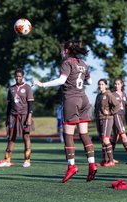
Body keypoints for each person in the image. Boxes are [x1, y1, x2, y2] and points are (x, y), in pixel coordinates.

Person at [33, 40, 97, 183]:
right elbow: (90, 82)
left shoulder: (67, 63)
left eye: (62, 49)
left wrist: (42, 84)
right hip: (84, 99)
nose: (61, 52)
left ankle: (72, 167)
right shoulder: (83, 64)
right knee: (84, 134)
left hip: (72, 99)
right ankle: (92, 164)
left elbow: (62, 80)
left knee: (67, 135)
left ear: (67, 50)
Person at [0, 68, 34, 168]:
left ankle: (27, 160)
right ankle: (7, 160)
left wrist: (29, 117)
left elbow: (30, 104)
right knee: (11, 137)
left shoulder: (28, 87)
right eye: (16, 76)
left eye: (20, 76)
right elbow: (9, 105)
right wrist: (7, 117)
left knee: (26, 137)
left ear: (23, 77)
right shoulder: (11, 89)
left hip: (24, 116)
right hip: (13, 116)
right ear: (14, 77)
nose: (18, 78)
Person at [94, 79, 121, 167]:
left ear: (106, 85)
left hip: (107, 119)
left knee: (106, 139)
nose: (100, 86)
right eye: (99, 84)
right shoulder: (98, 96)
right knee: (102, 140)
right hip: (99, 119)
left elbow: (117, 105)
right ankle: (105, 160)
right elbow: (96, 108)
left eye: (102, 84)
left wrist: (110, 112)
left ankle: (111, 161)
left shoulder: (109, 95)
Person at [110, 78, 127, 163]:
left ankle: (109, 157)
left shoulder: (124, 94)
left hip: (122, 116)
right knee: (123, 136)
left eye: (118, 84)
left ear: (122, 84)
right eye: (115, 84)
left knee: (115, 137)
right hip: (116, 115)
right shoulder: (112, 94)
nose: (116, 85)